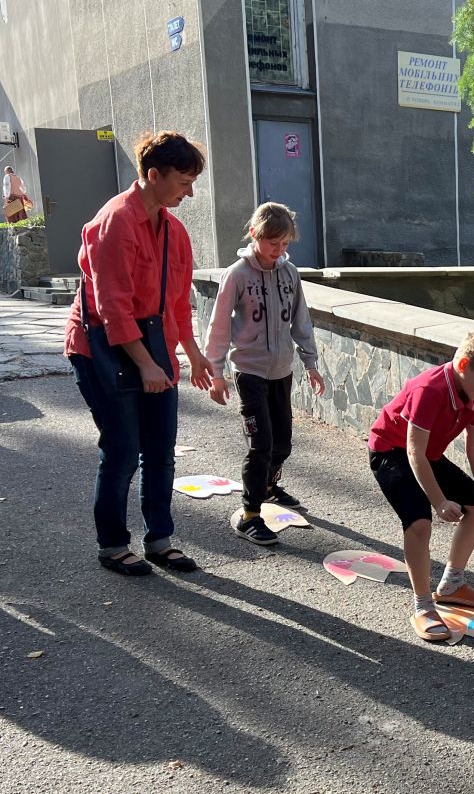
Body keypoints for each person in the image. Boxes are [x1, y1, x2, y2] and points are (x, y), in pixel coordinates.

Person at [64, 130, 213, 576]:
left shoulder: (174, 230)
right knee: (123, 451)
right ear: (153, 175)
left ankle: (159, 541)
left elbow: (177, 302)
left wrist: (193, 353)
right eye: (184, 182)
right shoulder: (115, 221)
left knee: (161, 450)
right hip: (102, 347)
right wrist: (146, 365)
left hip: (153, 343)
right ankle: (112, 546)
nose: (190, 193)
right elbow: (112, 307)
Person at [367, 328, 474, 641]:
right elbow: (413, 452)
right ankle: (423, 606)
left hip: (426, 454)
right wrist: (438, 501)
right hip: (390, 451)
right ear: (463, 366)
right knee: (419, 523)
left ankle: (451, 584)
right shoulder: (429, 389)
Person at [202, 201, 325, 545]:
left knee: (282, 443)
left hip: (281, 370)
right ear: (254, 234)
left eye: (285, 244)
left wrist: (311, 364)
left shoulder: (290, 273)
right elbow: (219, 325)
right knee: (261, 445)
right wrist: (216, 372)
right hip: (249, 371)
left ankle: (269, 486)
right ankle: (250, 515)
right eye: (273, 243)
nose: (279, 250)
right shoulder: (237, 275)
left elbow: (301, 322)